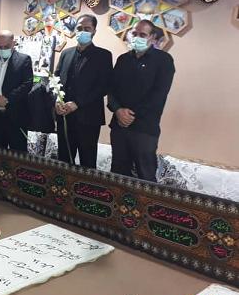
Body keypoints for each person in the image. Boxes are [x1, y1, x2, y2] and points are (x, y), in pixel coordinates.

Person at [108, 20, 175, 182]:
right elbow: (111, 89)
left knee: (145, 176)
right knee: (118, 174)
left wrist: (131, 115)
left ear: (152, 37)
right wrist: (118, 110)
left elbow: (158, 94)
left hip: (144, 129)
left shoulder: (163, 60)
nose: (137, 37)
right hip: (119, 127)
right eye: (134, 34)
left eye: (143, 35)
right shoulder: (123, 59)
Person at [54, 15, 113, 168]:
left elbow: (104, 87)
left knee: (87, 163)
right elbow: (55, 80)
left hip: (88, 119)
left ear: (94, 31)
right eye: (79, 28)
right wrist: (57, 101)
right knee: (63, 161)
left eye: (87, 28)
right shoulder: (66, 53)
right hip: (64, 117)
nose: (82, 31)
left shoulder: (103, 55)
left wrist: (77, 103)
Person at [0, 30, 33, 151]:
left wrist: (7, 100)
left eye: (6, 46)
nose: (3, 49)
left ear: (13, 43)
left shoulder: (24, 60)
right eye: (0, 47)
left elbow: (27, 84)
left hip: (16, 116)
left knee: (18, 154)